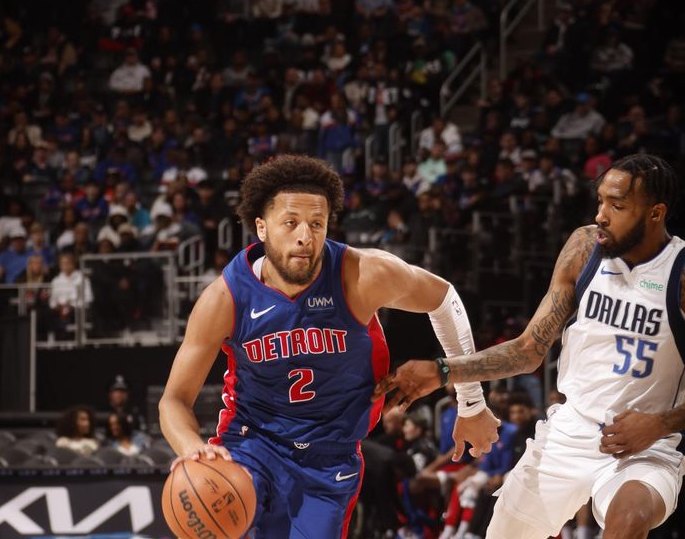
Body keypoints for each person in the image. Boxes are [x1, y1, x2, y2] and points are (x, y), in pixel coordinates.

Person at [159, 155, 500, 538]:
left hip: (330, 458)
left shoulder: (362, 274)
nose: (305, 235)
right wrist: (192, 448)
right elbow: (174, 399)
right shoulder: (225, 298)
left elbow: (444, 298)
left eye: (316, 223)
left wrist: (471, 401)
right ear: (262, 227)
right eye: (290, 222)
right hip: (252, 445)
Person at [374, 154, 684, 539]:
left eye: (617, 206)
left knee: (629, 520)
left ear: (656, 213)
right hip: (570, 429)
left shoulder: (679, 273)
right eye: (600, 201)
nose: (602, 214)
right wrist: (443, 371)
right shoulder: (585, 248)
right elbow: (528, 350)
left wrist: (660, 424)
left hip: (646, 444)